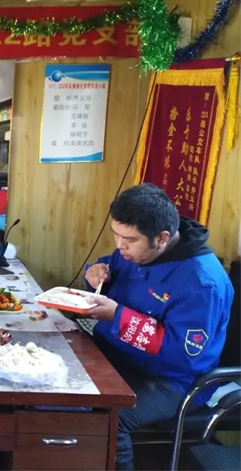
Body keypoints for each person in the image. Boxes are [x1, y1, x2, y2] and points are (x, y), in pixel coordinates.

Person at [84, 183, 233, 470]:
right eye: (116, 235)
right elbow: (108, 270)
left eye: (129, 239)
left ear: (162, 238)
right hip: (117, 356)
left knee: (112, 416)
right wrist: (95, 273)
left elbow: (183, 353)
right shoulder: (136, 251)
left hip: (172, 380)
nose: (120, 246)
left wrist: (117, 316)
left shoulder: (202, 283)